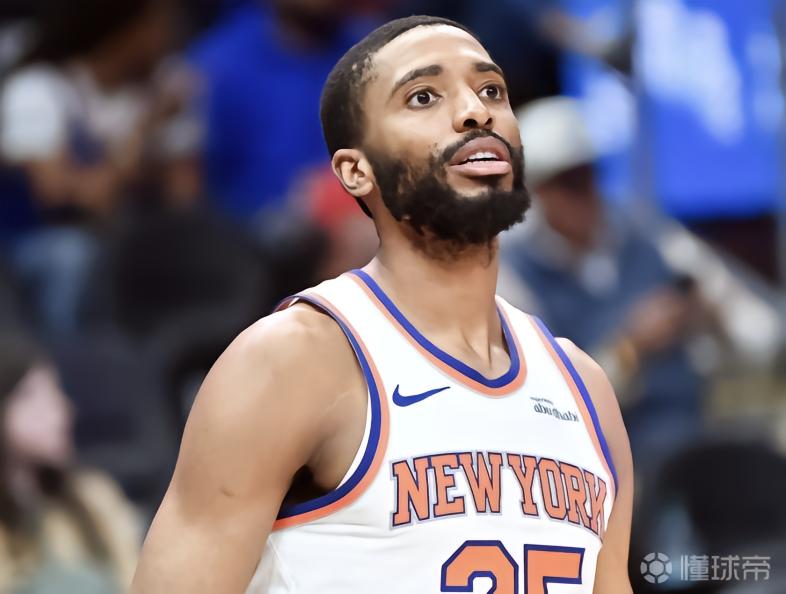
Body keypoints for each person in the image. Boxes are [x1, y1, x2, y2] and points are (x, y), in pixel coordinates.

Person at [131, 16, 633, 594]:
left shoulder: (584, 389)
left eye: (492, 90)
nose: (476, 112)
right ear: (356, 170)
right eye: (423, 96)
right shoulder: (294, 359)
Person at [501, 97, 706, 466]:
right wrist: (631, 346)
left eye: (589, 174)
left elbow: (754, 328)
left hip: (690, 437)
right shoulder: (513, 275)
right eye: (567, 183)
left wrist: (704, 313)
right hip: (596, 461)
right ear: (537, 192)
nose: (585, 192)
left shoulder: (644, 231)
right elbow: (549, 399)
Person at [0, 334, 140, 593]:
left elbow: (137, 579)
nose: (62, 410)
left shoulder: (93, 497)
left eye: (55, 391)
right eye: (33, 397)